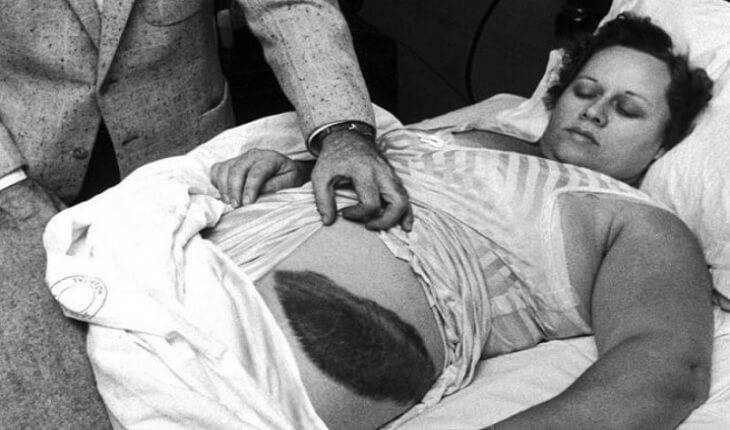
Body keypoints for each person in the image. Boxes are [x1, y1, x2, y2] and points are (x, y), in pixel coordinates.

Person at [205, 13, 715, 429]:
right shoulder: (470, 131)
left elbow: (664, 372)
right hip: (201, 257)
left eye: (628, 109)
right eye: (585, 91)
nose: (595, 112)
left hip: (258, 366)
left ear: (663, 144)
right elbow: (362, 174)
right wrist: (292, 171)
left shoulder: (638, 221)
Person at [0, 1, 409, 427]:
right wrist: (10, 186)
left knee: (207, 359)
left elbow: (290, 5)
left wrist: (342, 131)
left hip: (189, 158)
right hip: (26, 174)